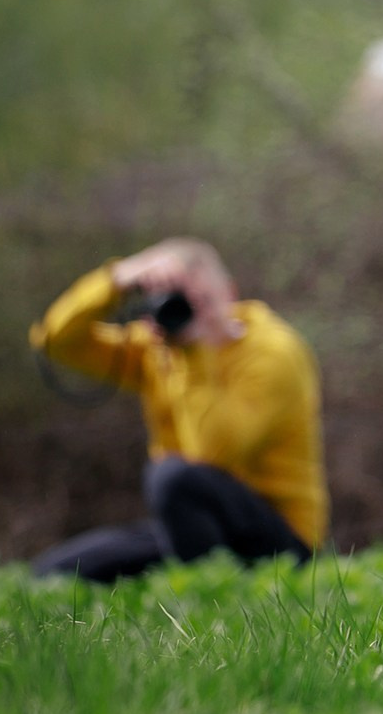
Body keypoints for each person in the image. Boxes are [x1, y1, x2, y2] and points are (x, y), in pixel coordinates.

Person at [28, 237, 327, 581]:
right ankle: (198, 583)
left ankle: (212, 601)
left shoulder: (273, 352)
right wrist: (118, 278)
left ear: (230, 292)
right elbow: (55, 340)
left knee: (172, 476)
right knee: (55, 572)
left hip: (282, 544)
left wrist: (193, 353)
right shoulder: (160, 349)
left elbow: (211, 456)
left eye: (204, 301)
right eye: (183, 303)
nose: (194, 315)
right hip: (194, 528)